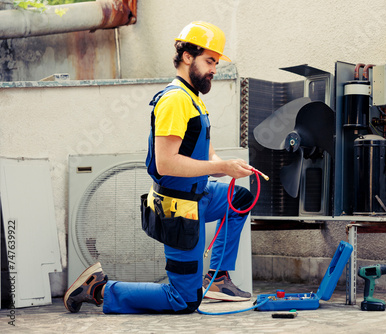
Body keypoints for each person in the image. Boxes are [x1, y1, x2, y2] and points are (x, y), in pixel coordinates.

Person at [64, 21, 256, 314]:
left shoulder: (194, 100)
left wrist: (228, 168)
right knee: (184, 300)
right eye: (209, 61)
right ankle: (98, 289)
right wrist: (223, 167)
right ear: (188, 57)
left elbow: (209, 159)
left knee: (238, 200)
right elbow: (166, 163)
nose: (214, 69)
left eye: (216, 63)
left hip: (199, 194)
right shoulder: (175, 100)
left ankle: (217, 278)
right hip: (179, 208)